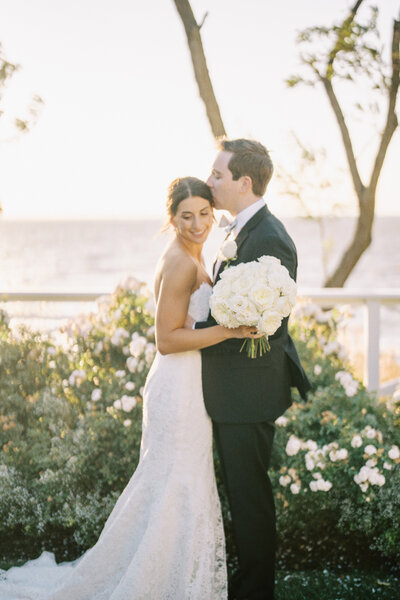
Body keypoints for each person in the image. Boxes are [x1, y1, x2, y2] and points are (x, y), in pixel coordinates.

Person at [0, 176, 260, 600]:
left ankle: (172, 576)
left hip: (188, 383)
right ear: (172, 217)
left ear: (214, 214)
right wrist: (230, 332)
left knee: (178, 481)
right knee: (177, 482)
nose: (198, 225)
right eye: (187, 216)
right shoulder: (179, 260)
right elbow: (167, 338)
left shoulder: (195, 252)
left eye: (205, 215)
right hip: (178, 385)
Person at [193, 139, 312, 600]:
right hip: (233, 390)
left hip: (249, 392)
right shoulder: (238, 230)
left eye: (218, 175)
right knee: (242, 493)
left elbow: (266, 322)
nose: (210, 182)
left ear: (244, 182)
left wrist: (189, 335)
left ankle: (256, 590)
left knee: (249, 497)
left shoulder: (270, 237)